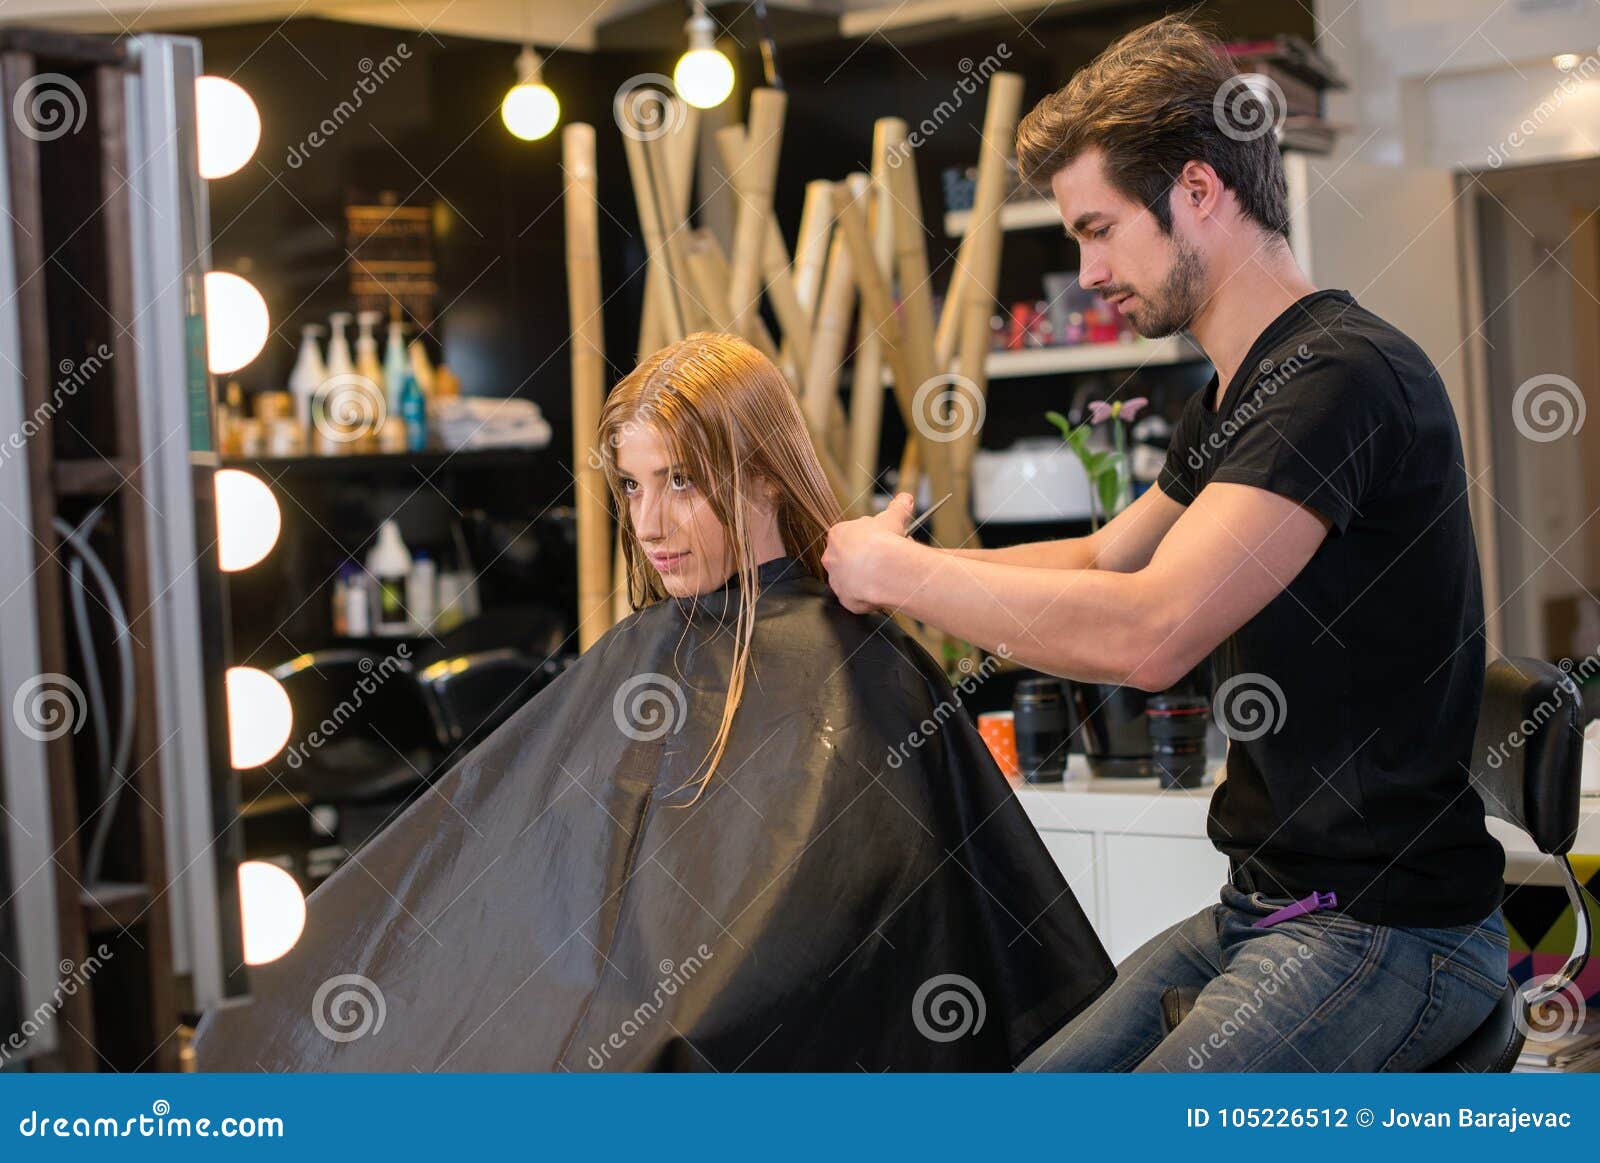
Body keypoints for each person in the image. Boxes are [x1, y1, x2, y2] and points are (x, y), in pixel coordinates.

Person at [823, 15, 1510, 1072]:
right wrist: (889, 580)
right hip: (1267, 908)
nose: (1087, 269)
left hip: (1388, 931)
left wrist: (902, 572)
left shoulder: (1341, 378)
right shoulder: (1236, 394)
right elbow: (1109, 561)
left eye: (1098, 228)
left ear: (1197, 191)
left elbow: (1151, 631)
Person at [192, 332, 1113, 1072]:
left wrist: (649, 1038)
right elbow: (501, 888)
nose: (648, 523)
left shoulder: (849, 663)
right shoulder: (648, 653)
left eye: (680, 480)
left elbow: (809, 947)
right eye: (632, 486)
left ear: (760, 471)